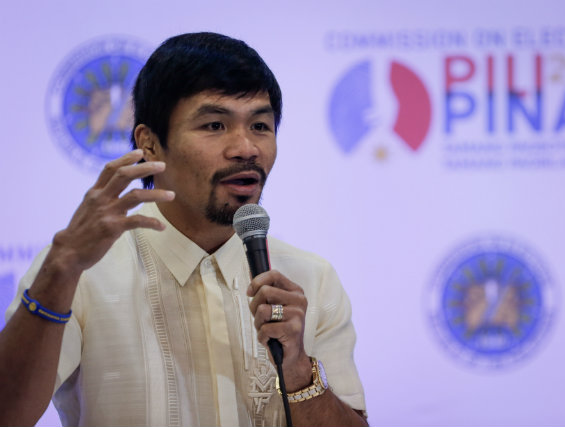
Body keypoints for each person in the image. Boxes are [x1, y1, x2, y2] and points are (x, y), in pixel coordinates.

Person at [0, 32, 367, 426]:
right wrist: (60, 271)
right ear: (150, 144)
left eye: (261, 125)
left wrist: (296, 369)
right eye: (214, 125)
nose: (246, 147)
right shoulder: (80, 273)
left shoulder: (311, 279)